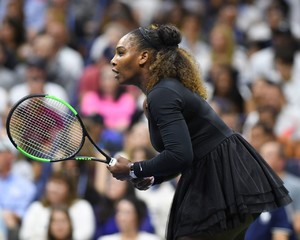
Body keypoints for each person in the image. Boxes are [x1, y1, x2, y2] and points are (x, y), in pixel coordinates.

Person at [107, 24, 292, 240]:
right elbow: (187, 153)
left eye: (121, 52)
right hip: (226, 177)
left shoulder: (162, 94)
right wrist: (153, 176)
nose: (113, 60)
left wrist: (133, 168)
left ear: (143, 57)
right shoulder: (159, 94)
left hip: (222, 180)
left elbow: (180, 155)